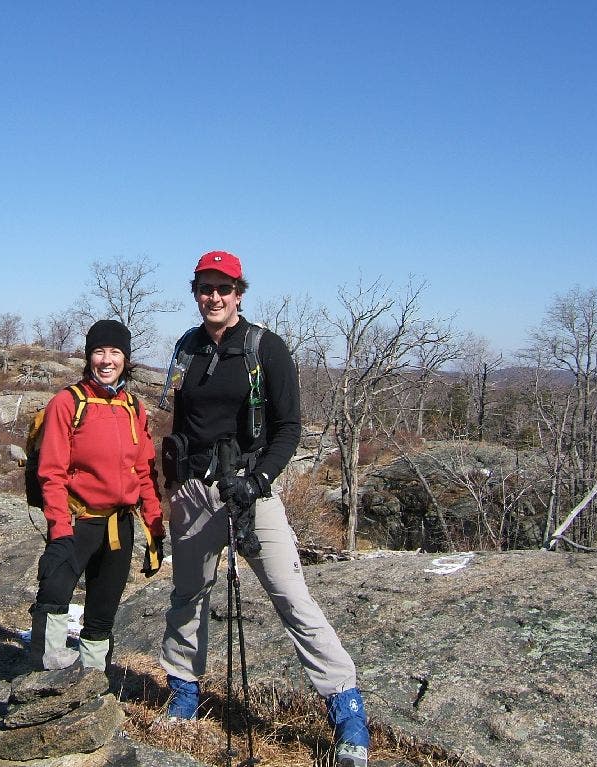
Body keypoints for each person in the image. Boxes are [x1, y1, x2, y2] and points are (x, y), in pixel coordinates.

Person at [159, 252, 370, 767]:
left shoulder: (265, 348)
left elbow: (290, 427)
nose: (214, 297)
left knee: (292, 596)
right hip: (194, 492)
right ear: (196, 292)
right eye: (205, 288)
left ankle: (346, 710)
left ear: (239, 293)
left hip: (252, 492)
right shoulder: (186, 348)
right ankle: (184, 691)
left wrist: (257, 480)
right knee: (188, 595)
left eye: (224, 288)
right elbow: (181, 421)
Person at [29, 319, 165, 672]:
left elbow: (146, 473)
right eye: (99, 352)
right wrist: (59, 530)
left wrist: (155, 530)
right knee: (54, 594)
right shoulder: (67, 402)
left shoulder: (134, 407)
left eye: (115, 352)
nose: (107, 360)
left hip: (119, 527)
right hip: (79, 521)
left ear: (126, 359)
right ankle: (46, 676)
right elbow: (52, 473)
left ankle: (92, 682)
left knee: (102, 613)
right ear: (89, 357)